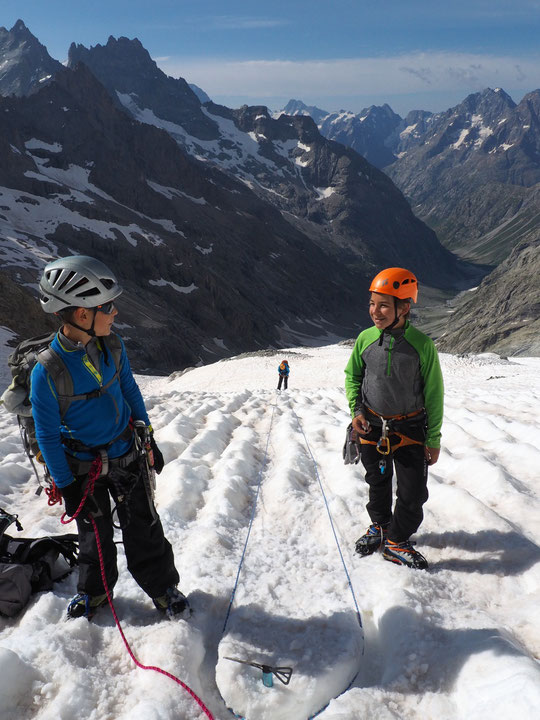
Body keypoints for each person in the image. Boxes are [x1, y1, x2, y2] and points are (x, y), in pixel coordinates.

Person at [30, 255, 189, 619]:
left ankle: (162, 586)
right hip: (82, 468)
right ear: (82, 314)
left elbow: (130, 392)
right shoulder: (47, 372)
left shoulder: (113, 346)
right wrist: (69, 487)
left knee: (144, 525)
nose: (115, 313)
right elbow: (47, 436)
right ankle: (94, 591)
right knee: (93, 536)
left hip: (126, 453)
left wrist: (147, 437)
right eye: (108, 307)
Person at [344, 267, 443, 570]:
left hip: (410, 429)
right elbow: (353, 377)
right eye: (373, 303)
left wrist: (433, 439)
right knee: (377, 481)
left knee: (413, 492)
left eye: (384, 305)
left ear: (405, 307)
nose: (375, 311)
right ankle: (382, 526)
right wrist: (357, 412)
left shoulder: (421, 346)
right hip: (372, 426)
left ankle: (397, 540)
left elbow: (434, 395)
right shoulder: (365, 340)